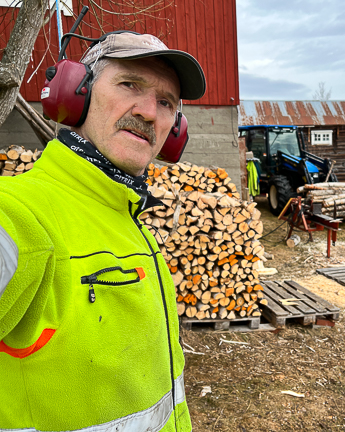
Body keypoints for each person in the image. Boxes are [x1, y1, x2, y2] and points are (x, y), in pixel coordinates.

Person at [0, 32, 205, 431]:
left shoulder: (127, 219)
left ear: (175, 129)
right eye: (130, 84)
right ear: (77, 92)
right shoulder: (20, 213)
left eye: (166, 103)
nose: (149, 113)